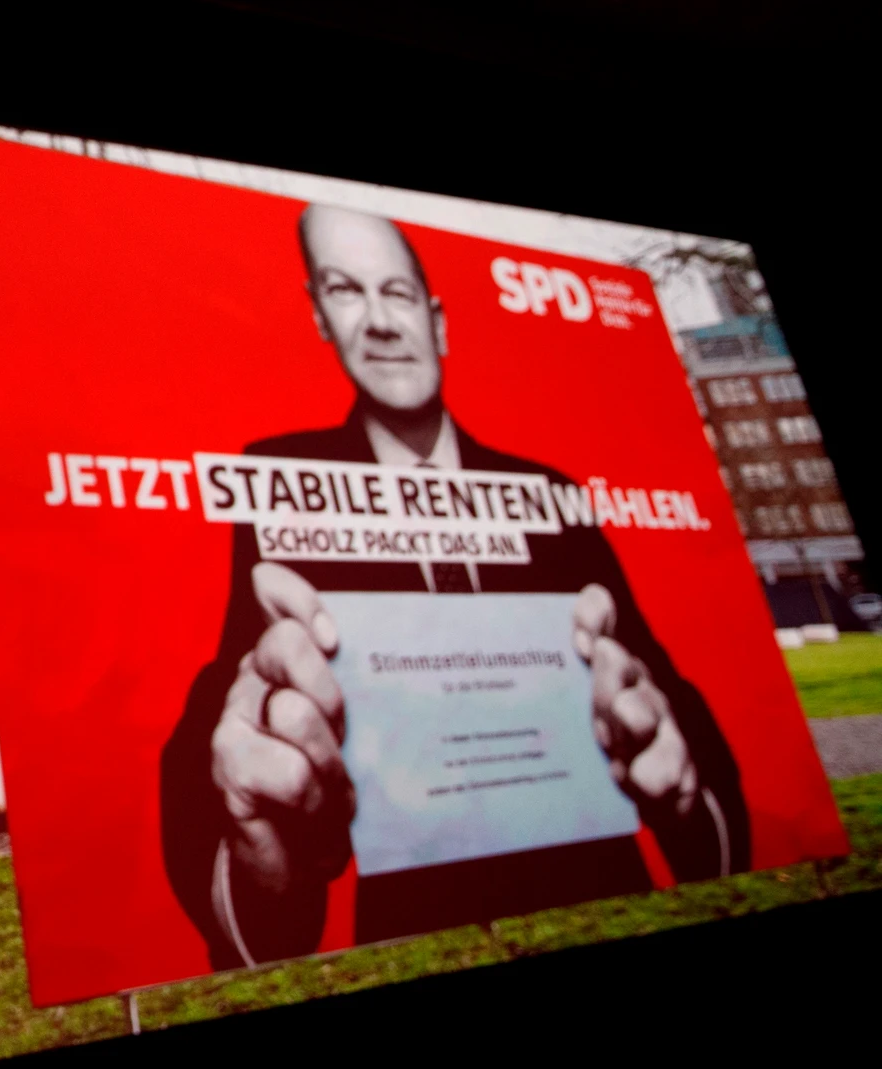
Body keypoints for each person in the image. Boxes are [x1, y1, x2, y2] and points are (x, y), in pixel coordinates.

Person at [159, 205, 747, 969]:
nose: (377, 322)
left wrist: (681, 790)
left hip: (603, 899)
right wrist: (260, 849)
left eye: (397, 294)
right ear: (319, 318)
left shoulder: (547, 493)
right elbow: (228, 717)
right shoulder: (282, 482)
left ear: (437, 321)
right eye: (345, 292)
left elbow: (672, 714)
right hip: (412, 938)